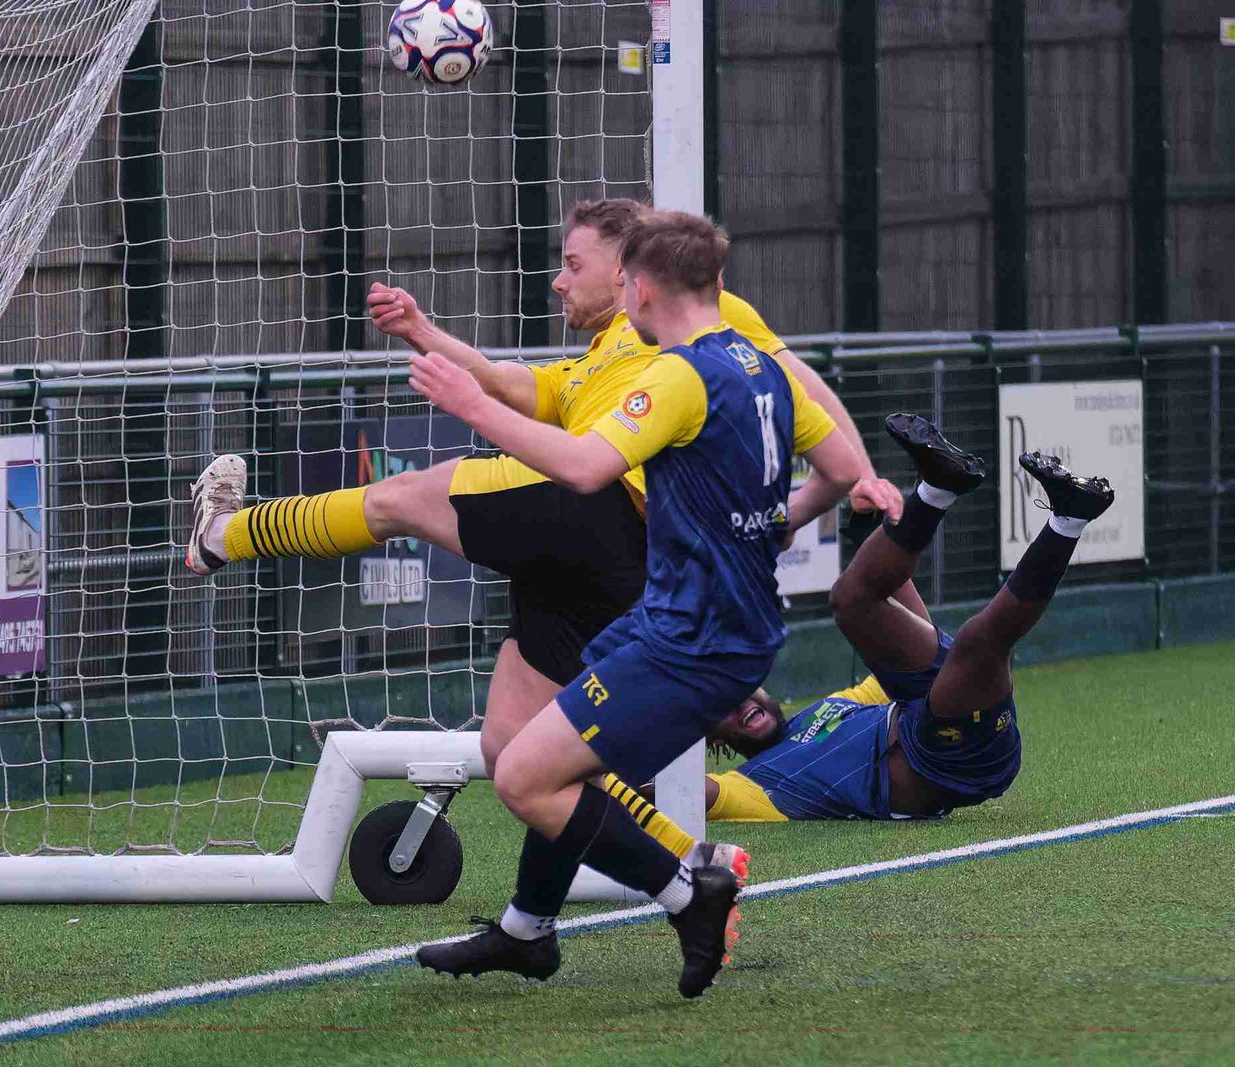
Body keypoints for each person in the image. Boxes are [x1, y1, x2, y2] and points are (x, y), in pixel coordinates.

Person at [183, 198, 899, 864]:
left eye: (573, 263)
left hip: (597, 509)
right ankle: (687, 861)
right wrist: (423, 332)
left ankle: (225, 535)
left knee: (399, 498)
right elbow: (515, 385)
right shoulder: (596, 362)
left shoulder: (693, 315)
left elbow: (796, 381)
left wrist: (860, 474)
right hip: (604, 562)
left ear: (629, 274)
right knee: (514, 747)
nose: (558, 281)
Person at [409, 211, 863, 997]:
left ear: (640, 289)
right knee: (555, 758)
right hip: (700, 622)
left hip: (693, 638)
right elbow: (845, 467)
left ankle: (689, 894)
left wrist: (473, 406)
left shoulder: (678, 375)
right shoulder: (763, 365)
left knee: (522, 777)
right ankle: (527, 929)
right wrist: (772, 523)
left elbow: (586, 467)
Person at [698, 414, 1115, 822]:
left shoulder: (826, 710)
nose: (740, 702)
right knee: (976, 643)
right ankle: (1068, 522)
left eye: (739, 687)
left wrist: (872, 537)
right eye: (719, 705)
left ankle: (938, 487)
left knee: (850, 599)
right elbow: (691, 793)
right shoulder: (749, 783)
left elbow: (918, 651)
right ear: (709, 735)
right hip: (949, 762)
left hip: (930, 711)